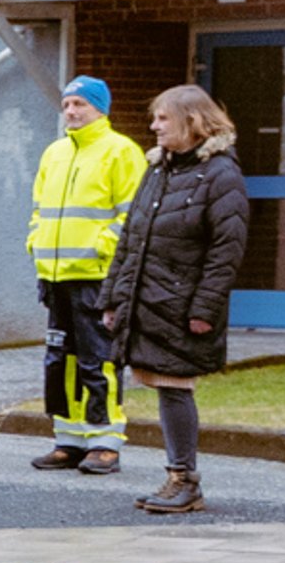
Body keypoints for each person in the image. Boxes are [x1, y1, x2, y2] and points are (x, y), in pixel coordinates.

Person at [103, 84, 250, 518]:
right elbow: (131, 239)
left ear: (193, 121)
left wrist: (204, 309)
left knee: (175, 386)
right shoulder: (158, 169)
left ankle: (184, 479)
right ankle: (178, 477)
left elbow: (227, 250)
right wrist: (113, 298)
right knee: (164, 386)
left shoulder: (221, 174)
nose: (154, 126)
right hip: (149, 299)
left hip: (181, 305)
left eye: (163, 118)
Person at [28, 76, 147, 478]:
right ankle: (69, 440)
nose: (71, 111)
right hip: (55, 276)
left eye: (80, 104)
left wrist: (101, 247)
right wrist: (35, 242)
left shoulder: (121, 152)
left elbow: (131, 215)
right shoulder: (55, 153)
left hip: (96, 277)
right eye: (66, 104)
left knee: (99, 360)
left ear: (100, 108)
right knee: (60, 361)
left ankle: (105, 442)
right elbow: (39, 209)